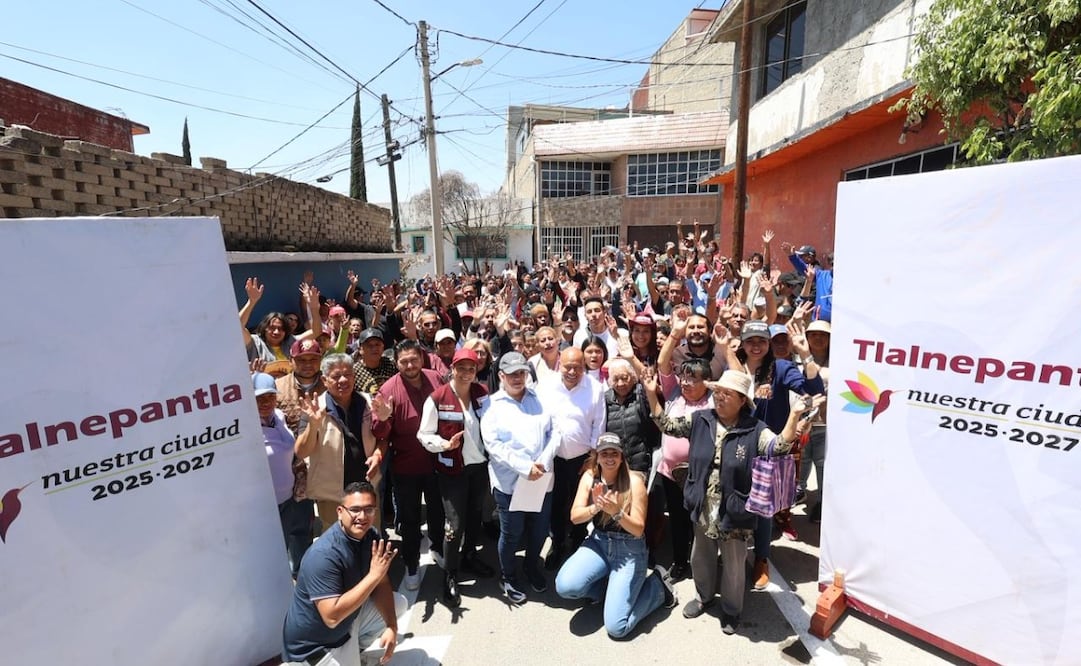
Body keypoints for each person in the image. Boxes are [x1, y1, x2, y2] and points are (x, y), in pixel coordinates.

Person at [651, 370, 820, 635]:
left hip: (736, 507)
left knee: (733, 563)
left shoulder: (754, 429)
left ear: (742, 400)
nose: (719, 397)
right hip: (703, 503)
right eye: (717, 392)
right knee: (701, 555)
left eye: (726, 394)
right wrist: (652, 394)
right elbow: (668, 426)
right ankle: (703, 597)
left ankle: (731, 610)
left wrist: (794, 415)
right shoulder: (700, 419)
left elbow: (778, 447)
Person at [554, 433, 677, 639]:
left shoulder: (634, 482)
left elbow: (638, 529)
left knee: (617, 628)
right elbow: (575, 517)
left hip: (630, 550)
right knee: (565, 586)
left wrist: (616, 512)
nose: (609, 458)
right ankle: (607, 588)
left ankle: (658, 587)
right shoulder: (589, 477)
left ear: (622, 457)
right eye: (604, 454)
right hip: (599, 543)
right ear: (597, 457)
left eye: (614, 453)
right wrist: (596, 507)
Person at [730, 320, 825, 585]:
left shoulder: (781, 368)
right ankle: (733, 553)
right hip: (735, 444)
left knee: (763, 508)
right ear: (744, 344)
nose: (756, 346)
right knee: (735, 499)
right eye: (751, 341)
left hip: (768, 449)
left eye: (762, 340)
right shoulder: (735, 369)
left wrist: (805, 355)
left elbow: (814, 390)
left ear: (769, 344)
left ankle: (761, 559)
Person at [281, 482, 406, 666]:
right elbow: (331, 618)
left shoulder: (370, 535)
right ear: (340, 511)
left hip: (345, 626)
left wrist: (392, 627)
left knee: (398, 603)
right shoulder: (323, 555)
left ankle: (357, 651)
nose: (362, 516)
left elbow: (382, 584)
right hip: (314, 649)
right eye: (355, 509)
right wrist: (374, 575)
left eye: (369, 509)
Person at [417, 348, 496, 608]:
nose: (466, 373)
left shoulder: (482, 395)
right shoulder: (437, 398)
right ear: (452, 368)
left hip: (479, 468)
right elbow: (424, 435)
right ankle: (450, 574)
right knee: (455, 523)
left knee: (475, 514)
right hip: (452, 470)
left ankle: (471, 555)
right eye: (461, 367)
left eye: (471, 368)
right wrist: (443, 444)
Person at [480, 351, 559, 604]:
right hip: (510, 484)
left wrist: (543, 462)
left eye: (522, 373)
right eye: (512, 374)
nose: (517, 378)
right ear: (501, 376)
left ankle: (531, 567)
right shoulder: (490, 406)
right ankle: (509, 576)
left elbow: (555, 432)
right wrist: (525, 467)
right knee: (512, 534)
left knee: (540, 530)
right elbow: (494, 446)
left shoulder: (540, 398)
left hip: (541, 480)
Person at [371, 339, 447, 592]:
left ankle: (438, 547)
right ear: (396, 363)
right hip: (405, 468)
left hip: (438, 464)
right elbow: (380, 432)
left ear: (421, 358)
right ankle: (412, 565)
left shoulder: (436, 378)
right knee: (411, 520)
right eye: (404, 361)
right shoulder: (388, 389)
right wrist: (382, 419)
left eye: (414, 359)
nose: (410, 365)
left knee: (438, 512)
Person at [295, 354, 389, 533]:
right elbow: (301, 451)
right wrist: (313, 425)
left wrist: (378, 455)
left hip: (367, 488)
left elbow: (383, 439)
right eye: (336, 376)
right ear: (324, 379)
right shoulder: (315, 408)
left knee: (370, 537)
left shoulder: (369, 402)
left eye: (348, 374)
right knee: (337, 545)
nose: (343, 380)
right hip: (332, 494)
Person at [642, 358, 713, 581]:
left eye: (692, 378)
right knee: (678, 521)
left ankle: (704, 567)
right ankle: (680, 563)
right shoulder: (673, 393)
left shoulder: (713, 403)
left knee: (701, 524)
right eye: (683, 377)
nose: (685, 382)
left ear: (708, 382)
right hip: (670, 473)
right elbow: (662, 362)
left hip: (701, 477)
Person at [538, 347, 607, 572]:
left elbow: (599, 424)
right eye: (568, 366)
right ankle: (557, 542)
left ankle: (578, 541)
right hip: (553, 457)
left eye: (578, 367)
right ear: (560, 364)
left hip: (582, 458)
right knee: (556, 502)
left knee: (582, 501)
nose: (572, 371)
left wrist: (594, 456)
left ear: (584, 367)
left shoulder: (595, 389)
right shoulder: (546, 386)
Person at [254, 372, 313, 578]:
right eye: (259, 398)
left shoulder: (279, 416)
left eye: (270, 396)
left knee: (298, 537)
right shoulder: (246, 426)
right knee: (273, 553)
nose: (265, 402)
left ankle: (299, 577)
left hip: (290, 496)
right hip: (267, 504)